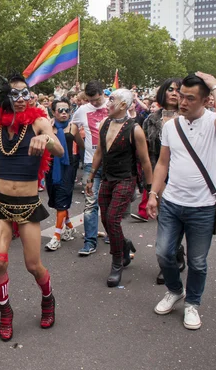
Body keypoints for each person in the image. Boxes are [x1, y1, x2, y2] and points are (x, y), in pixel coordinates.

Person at [147, 72, 216, 330]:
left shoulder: (214, 124)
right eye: (180, 95)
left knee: (197, 262)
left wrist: (215, 84)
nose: (181, 101)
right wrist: (153, 194)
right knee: (163, 253)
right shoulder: (171, 125)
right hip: (172, 202)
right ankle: (175, 290)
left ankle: (192, 303)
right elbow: (163, 163)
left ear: (206, 100)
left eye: (190, 98)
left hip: (203, 207)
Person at [0, 75, 64, 341]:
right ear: (6, 98)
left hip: (28, 205)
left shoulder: (38, 122)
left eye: (25, 94)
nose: (21, 99)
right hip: (1, 204)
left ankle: (48, 299)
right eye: (15, 95)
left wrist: (47, 141)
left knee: (33, 265)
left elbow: (59, 149)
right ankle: (5, 312)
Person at [86, 89, 153, 287]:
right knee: (105, 218)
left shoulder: (135, 129)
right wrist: (90, 177)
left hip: (125, 178)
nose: (107, 103)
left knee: (113, 218)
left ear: (123, 105)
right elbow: (99, 152)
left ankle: (118, 262)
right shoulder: (105, 123)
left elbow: (146, 161)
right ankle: (124, 245)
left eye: (112, 100)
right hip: (107, 178)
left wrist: (150, 191)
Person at [130, 79, 186, 284]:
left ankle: (177, 253)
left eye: (178, 90)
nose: (174, 93)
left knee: (182, 218)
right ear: (163, 93)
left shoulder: (190, 117)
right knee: (165, 219)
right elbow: (145, 153)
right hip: (160, 174)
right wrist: (148, 180)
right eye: (170, 89)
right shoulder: (150, 119)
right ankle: (169, 260)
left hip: (185, 175)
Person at [71, 80, 109, 256]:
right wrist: (82, 146)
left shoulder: (113, 105)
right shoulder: (82, 110)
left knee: (110, 202)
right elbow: (73, 129)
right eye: (90, 100)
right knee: (90, 203)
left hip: (111, 162)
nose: (93, 103)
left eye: (96, 99)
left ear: (103, 93)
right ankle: (90, 241)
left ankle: (112, 233)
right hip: (89, 162)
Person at [45, 98, 84, 251]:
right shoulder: (48, 127)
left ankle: (56, 237)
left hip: (68, 165)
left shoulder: (72, 127)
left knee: (62, 197)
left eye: (66, 110)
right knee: (55, 197)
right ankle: (69, 227)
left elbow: (81, 145)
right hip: (51, 165)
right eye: (60, 110)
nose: (64, 113)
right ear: (53, 112)